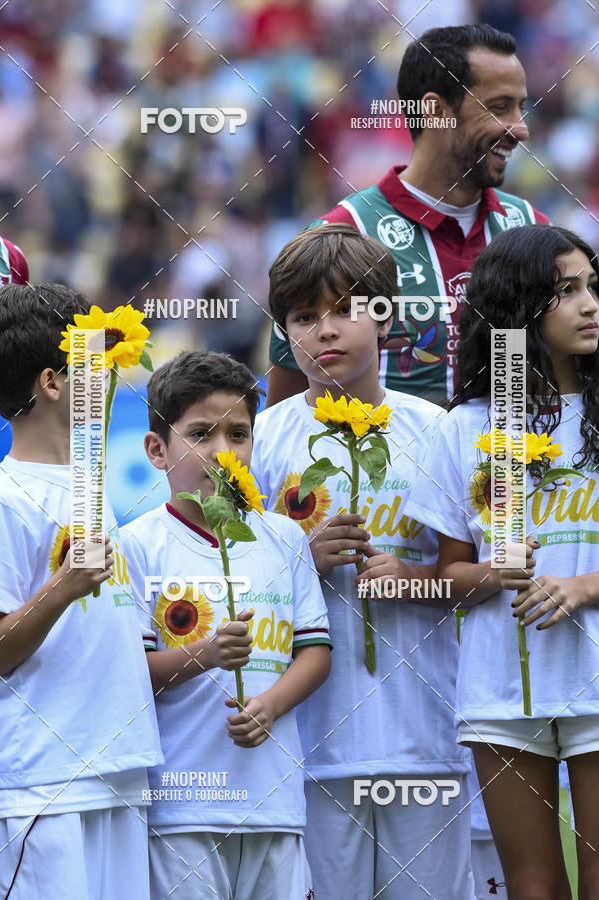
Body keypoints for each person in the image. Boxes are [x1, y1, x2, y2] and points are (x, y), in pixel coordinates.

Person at [252, 224, 475, 898]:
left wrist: (415, 583)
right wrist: (302, 562)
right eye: (304, 317)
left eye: (347, 310)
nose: (326, 331)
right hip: (312, 748)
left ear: (388, 320)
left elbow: (481, 581)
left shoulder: (437, 431)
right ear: (285, 331)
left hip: (425, 742)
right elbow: (236, 587)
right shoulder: (263, 438)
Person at [405, 224, 599, 895]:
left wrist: (579, 587)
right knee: (532, 885)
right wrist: (495, 573)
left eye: (593, 287)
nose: (590, 304)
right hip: (500, 689)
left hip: (595, 679)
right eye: (566, 292)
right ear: (518, 308)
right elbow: (450, 575)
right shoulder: (463, 429)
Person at [122, 349, 332, 899]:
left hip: (276, 803)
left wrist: (272, 705)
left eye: (238, 434)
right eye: (201, 434)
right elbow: (130, 675)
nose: (222, 451)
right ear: (156, 449)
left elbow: (315, 651)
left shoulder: (284, 538)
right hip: (181, 810)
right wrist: (207, 654)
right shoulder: (137, 545)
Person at [266, 23, 549, 408]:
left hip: (506, 466)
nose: (521, 128)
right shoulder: (339, 234)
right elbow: (285, 419)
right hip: (381, 470)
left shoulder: (532, 229)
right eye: (499, 107)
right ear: (435, 111)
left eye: (521, 106)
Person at [0, 283, 163, 900]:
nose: (112, 375)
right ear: (53, 382)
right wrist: (65, 587)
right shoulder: (6, 496)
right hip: (43, 784)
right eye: (96, 360)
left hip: (120, 772)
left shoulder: (91, 489)